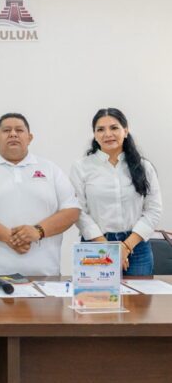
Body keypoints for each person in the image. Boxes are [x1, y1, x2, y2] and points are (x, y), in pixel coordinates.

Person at [0, 112, 80, 276]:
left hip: (46, 276)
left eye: (19, 130)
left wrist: (38, 231)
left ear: (30, 137)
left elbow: (72, 210)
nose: (13, 134)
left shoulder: (51, 169)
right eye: (6, 130)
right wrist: (8, 237)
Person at [69, 108, 162, 276]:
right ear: (95, 135)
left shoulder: (144, 166)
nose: (107, 134)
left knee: (137, 294)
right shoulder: (81, 167)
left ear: (125, 131)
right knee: (96, 294)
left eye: (114, 128)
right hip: (96, 245)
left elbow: (153, 210)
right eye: (100, 129)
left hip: (136, 248)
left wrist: (126, 246)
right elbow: (78, 211)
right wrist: (108, 248)